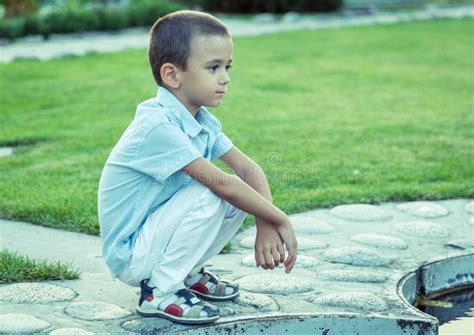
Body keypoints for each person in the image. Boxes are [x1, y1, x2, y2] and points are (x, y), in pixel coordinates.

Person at [98, 10, 298, 325]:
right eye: (213, 67)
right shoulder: (157, 125)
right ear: (172, 75)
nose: (226, 77)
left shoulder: (198, 120)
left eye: (227, 66)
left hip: (154, 239)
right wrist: (281, 219)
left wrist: (265, 221)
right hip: (131, 254)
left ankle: (186, 272)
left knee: (234, 194)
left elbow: (248, 170)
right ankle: (160, 291)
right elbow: (221, 184)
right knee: (214, 192)